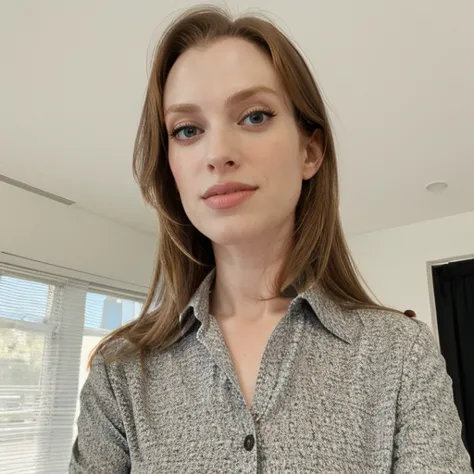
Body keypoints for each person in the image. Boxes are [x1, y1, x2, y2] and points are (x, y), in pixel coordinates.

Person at [70, 5, 473, 473]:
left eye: (255, 116)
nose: (218, 153)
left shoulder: (400, 355)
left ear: (310, 151)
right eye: (187, 130)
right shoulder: (120, 372)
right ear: (170, 168)